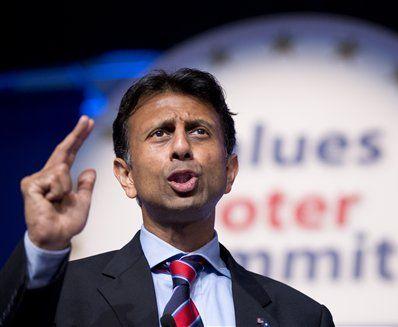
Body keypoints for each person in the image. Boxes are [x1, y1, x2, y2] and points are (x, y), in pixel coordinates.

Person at [0, 68, 335, 326]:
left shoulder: (301, 316)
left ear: (230, 170)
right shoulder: (64, 296)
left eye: (198, 131)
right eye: (160, 133)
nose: (181, 147)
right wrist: (44, 248)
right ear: (125, 175)